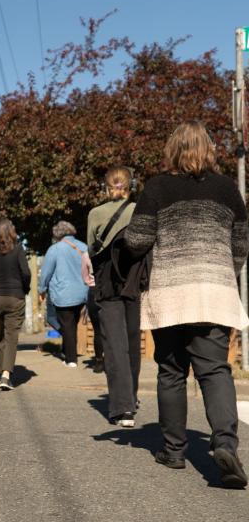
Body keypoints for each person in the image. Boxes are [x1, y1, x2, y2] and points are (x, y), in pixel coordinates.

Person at [125, 121, 249, 487]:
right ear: (209, 148)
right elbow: (241, 245)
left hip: (170, 294)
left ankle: (174, 451)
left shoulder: (158, 187)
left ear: (172, 150)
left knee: (171, 371)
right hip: (214, 292)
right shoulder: (228, 189)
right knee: (215, 371)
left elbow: (136, 240)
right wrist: (224, 273)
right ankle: (225, 443)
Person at [87, 166, 140, 427]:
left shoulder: (96, 213)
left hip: (107, 281)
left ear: (106, 188)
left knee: (114, 344)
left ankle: (122, 407)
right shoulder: (138, 211)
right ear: (130, 185)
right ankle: (132, 396)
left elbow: (90, 248)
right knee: (132, 341)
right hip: (133, 280)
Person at [0, 218, 31, 390]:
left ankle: (0, 372)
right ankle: (5, 375)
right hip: (14, 296)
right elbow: (26, 273)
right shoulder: (18, 250)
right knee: (11, 336)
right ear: (11, 232)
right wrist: (25, 288)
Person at [39, 221, 89, 367]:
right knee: (71, 324)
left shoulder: (55, 249)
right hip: (82, 293)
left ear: (57, 234)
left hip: (63, 293)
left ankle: (71, 359)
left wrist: (42, 289)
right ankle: (67, 348)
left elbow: (46, 272)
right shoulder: (83, 247)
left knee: (64, 323)